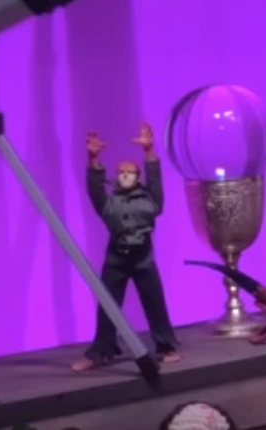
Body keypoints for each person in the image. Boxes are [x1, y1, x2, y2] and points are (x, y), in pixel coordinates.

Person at [72, 122, 180, 371]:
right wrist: (93, 158)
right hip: (116, 259)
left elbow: (156, 182)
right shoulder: (110, 203)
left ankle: (165, 346)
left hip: (143, 257)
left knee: (154, 302)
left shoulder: (150, 199)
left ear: (138, 176)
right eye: (121, 172)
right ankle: (101, 352)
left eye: (130, 172)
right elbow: (94, 190)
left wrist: (149, 151)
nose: (125, 175)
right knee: (108, 304)